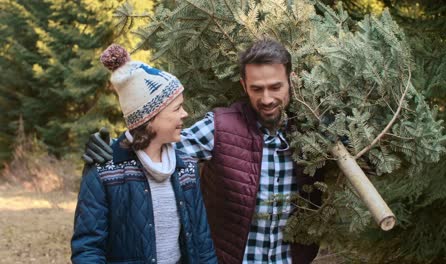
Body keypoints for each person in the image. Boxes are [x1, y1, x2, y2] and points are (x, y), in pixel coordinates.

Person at [84, 39, 323, 263]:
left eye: (275, 87)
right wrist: (110, 150)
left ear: (292, 80)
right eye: (257, 89)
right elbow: (153, 147)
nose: (267, 98)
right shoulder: (220, 128)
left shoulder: (314, 133)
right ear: (243, 85)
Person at [71, 44, 217, 264]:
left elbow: (202, 242)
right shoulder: (104, 169)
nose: (185, 114)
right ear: (150, 119)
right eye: (177, 108)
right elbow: (88, 249)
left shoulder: (186, 166)